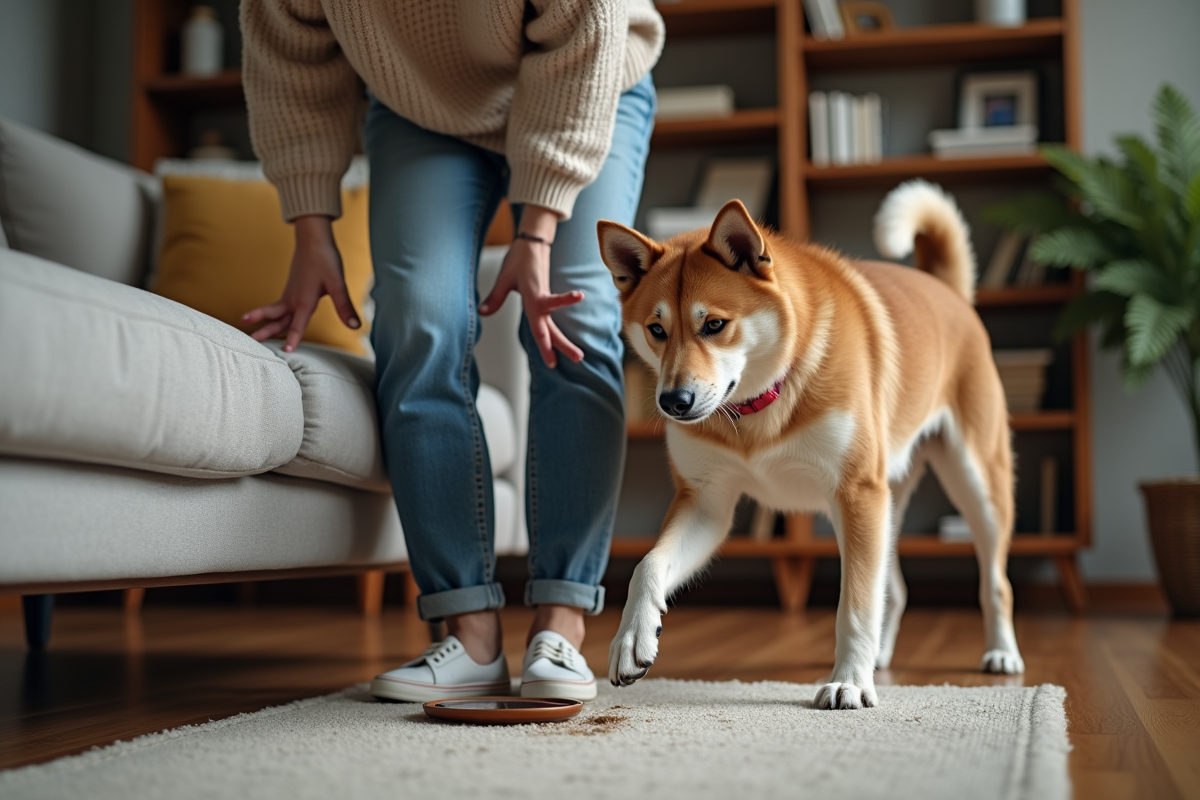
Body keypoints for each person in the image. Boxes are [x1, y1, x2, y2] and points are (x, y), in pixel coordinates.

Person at [239, 0, 663, 702]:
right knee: (417, 322)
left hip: (589, 79)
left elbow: (581, 37)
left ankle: (561, 623)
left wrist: (536, 236)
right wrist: (310, 227)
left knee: (572, 321)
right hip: (420, 108)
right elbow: (290, 58)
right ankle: (468, 633)